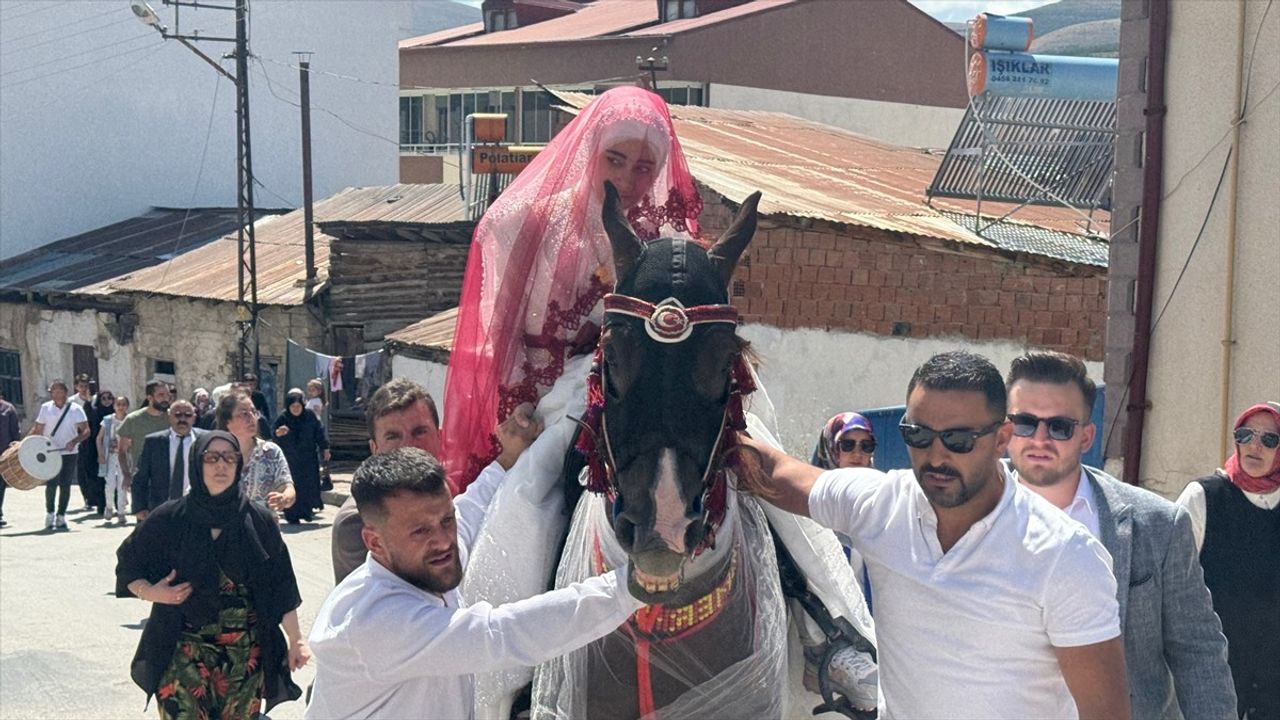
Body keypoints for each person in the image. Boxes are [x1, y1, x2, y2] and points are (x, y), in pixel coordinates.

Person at [741, 351, 1129, 718]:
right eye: (919, 435)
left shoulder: (1064, 555)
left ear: (1002, 438)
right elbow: (778, 475)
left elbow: (1106, 713)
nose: (937, 456)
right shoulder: (881, 506)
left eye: (958, 439)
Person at [442, 85, 704, 491]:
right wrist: (521, 414)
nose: (625, 179)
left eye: (643, 168)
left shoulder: (666, 244)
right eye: (614, 160)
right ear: (590, 150)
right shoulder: (523, 222)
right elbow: (500, 331)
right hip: (537, 413)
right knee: (524, 512)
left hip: (628, 419)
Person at [305, 447, 642, 720]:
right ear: (374, 542)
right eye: (420, 530)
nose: (443, 540)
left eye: (444, 520)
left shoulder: (425, 561)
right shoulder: (375, 620)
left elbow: (470, 509)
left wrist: (505, 459)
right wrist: (632, 585)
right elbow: (502, 634)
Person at [1005, 351, 1235, 719]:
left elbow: (1197, 650)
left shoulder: (1158, 525)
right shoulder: (968, 517)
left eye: (1060, 426)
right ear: (1005, 429)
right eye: (1025, 423)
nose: (1040, 438)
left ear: (1086, 436)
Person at [116, 431, 309, 718]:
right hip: (182, 649)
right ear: (197, 463)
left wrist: (296, 640)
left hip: (244, 656)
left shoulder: (259, 521)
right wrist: (152, 593)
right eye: (212, 458)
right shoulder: (170, 518)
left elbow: (281, 588)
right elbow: (128, 564)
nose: (221, 465)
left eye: (229, 458)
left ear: (238, 465)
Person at [329, 378, 537, 583]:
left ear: (440, 437)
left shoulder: (450, 488)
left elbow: (471, 510)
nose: (408, 446)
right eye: (393, 436)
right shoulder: (357, 521)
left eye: (419, 432)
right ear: (374, 449)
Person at [1177, 401, 1280, 720]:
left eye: (1269, 439)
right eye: (1246, 434)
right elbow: (1171, 582)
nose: (1254, 445)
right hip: (1214, 668)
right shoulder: (1203, 497)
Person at [215, 389, 296, 516]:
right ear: (227, 421)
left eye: (254, 412)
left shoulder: (270, 452)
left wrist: (284, 498)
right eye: (244, 414)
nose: (252, 418)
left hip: (263, 530)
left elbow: (287, 488)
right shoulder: (215, 455)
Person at [30, 379, 89, 530]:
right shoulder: (45, 408)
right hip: (50, 452)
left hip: (69, 452)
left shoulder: (75, 409)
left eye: (59, 390)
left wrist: (74, 441)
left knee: (65, 484)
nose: (56, 393)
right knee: (51, 484)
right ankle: (50, 513)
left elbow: (86, 431)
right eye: (53, 391)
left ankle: (61, 515)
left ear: (65, 392)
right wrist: (25, 444)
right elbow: (38, 429)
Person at [132, 400, 203, 521]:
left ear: (194, 417)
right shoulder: (153, 442)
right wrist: (139, 507)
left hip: (196, 509)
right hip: (161, 509)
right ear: (169, 416)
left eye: (187, 415)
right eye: (178, 414)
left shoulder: (204, 440)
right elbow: (141, 477)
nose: (182, 419)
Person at [273, 389, 329, 524]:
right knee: (293, 485)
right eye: (293, 406)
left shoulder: (310, 416)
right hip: (290, 459)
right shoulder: (283, 418)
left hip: (308, 457)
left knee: (308, 484)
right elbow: (274, 435)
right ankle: (292, 514)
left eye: (298, 406)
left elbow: (319, 432)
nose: (296, 409)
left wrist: (325, 448)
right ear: (288, 406)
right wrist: (278, 433)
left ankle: (306, 511)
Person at [117, 380, 175, 493]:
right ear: (150, 398)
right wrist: (127, 475)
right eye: (161, 395)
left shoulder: (172, 419)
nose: (166, 398)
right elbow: (122, 451)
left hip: (169, 476)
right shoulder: (133, 420)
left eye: (168, 395)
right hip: (142, 477)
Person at [98, 395, 131, 525]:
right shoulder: (107, 421)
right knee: (110, 483)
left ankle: (121, 511)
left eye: (123, 404)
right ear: (114, 406)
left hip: (125, 456)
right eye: (118, 404)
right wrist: (101, 454)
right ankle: (109, 507)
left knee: (122, 483)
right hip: (110, 456)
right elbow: (99, 438)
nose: (121, 407)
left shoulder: (130, 420)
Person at [812, 412, 877, 470]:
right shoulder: (813, 483)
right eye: (848, 445)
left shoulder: (880, 482)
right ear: (831, 448)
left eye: (866, 446)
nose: (857, 454)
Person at [0, 388, 21, 528]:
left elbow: (15, 432)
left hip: (2, 454)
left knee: (0, 485)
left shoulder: (8, 409)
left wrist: (15, 450)